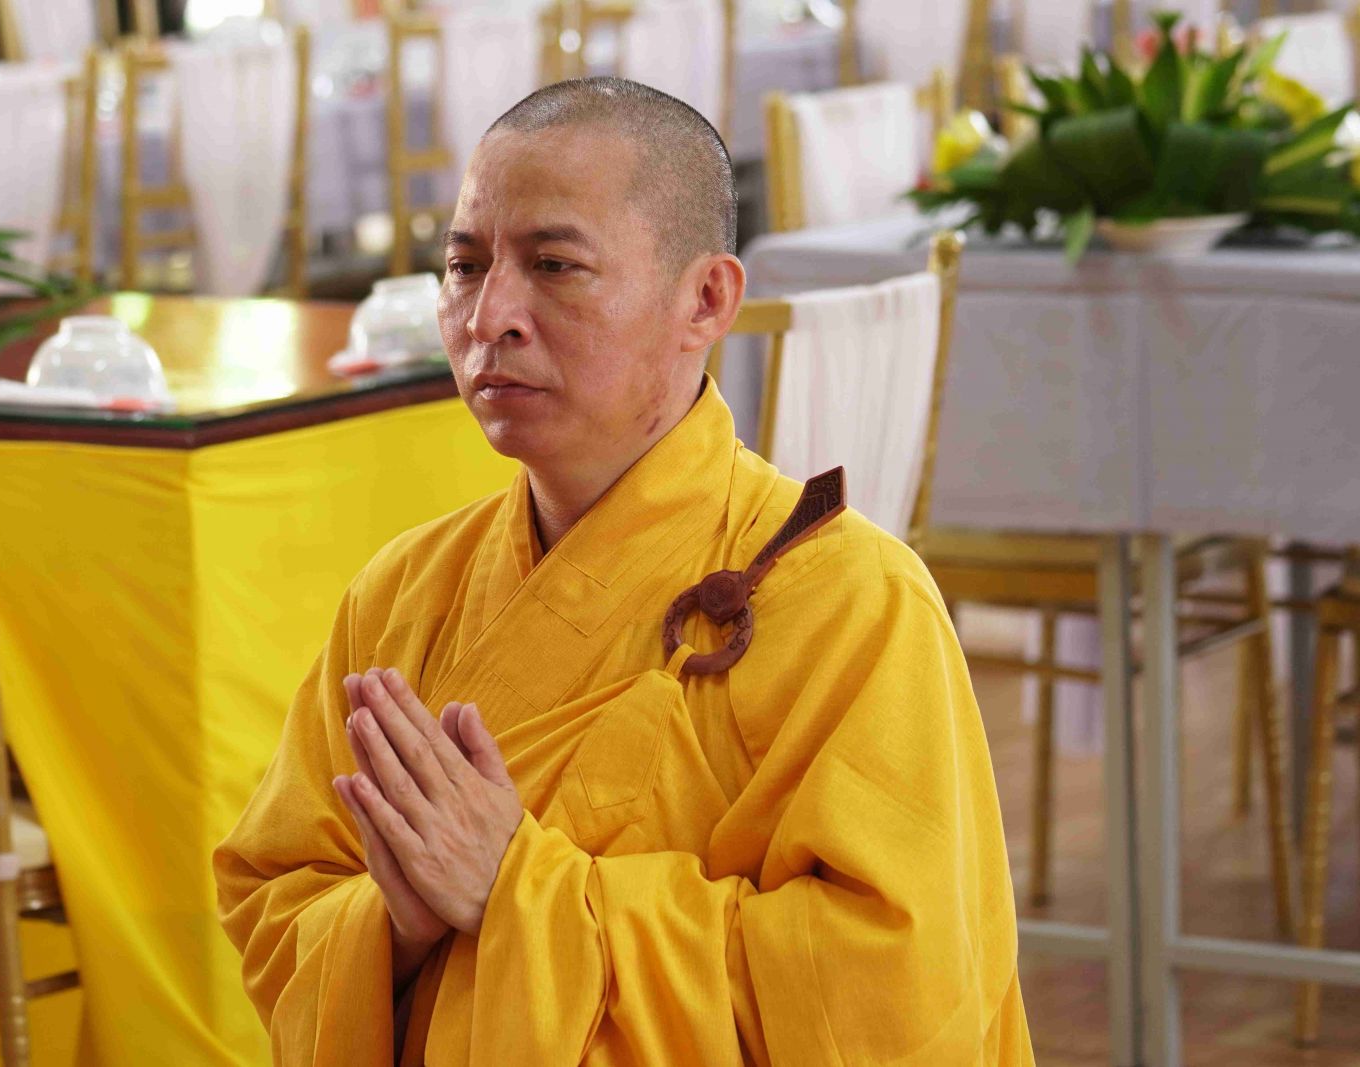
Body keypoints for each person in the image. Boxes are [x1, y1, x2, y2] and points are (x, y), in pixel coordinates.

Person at [215, 76, 1032, 1065]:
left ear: (705, 299)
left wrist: (514, 889)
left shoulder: (852, 602)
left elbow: (896, 988)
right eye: (464, 266)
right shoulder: (401, 592)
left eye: (554, 264)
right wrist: (395, 921)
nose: (490, 316)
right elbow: (274, 893)